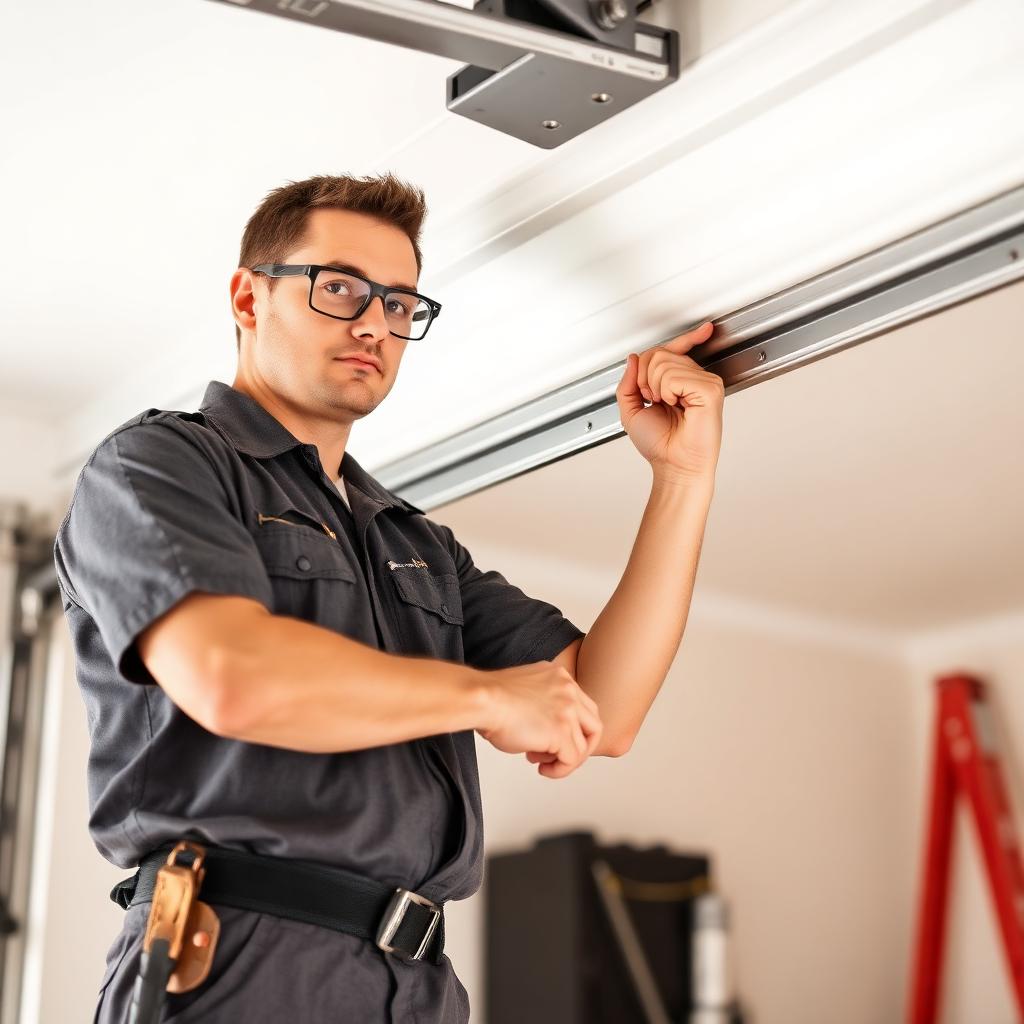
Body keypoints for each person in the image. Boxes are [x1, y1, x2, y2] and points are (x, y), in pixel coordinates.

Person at [53, 172, 724, 1023]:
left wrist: (682, 476)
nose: (375, 323)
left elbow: (603, 711)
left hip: (420, 983)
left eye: (401, 305)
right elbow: (232, 676)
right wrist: (485, 694)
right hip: (240, 963)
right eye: (340, 289)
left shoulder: (415, 543)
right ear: (249, 299)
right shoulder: (158, 464)